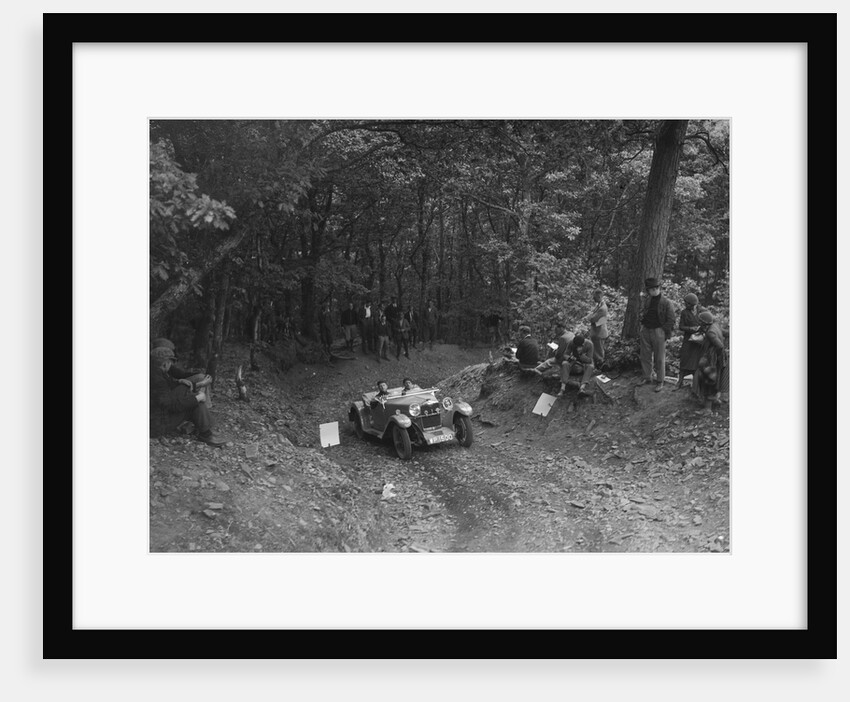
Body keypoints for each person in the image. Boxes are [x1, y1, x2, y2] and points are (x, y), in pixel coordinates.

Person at [150, 346, 225, 447]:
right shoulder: (158, 380)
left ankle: (205, 431)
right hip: (157, 426)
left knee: (191, 395)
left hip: (155, 418)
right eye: (170, 362)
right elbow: (172, 406)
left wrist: (180, 382)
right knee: (196, 403)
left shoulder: (153, 372)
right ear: (165, 363)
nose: (171, 364)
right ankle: (206, 433)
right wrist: (196, 398)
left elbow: (169, 388)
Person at [638, 277, 677, 392]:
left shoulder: (666, 302)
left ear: (659, 288)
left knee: (659, 358)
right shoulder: (648, 300)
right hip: (646, 330)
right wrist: (642, 325)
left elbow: (671, 320)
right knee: (645, 355)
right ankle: (647, 377)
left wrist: (663, 331)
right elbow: (643, 312)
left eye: (656, 288)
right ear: (648, 290)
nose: (654, 290)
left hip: (658, 331)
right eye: (651, 289)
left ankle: (660, 381)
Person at [692, 311, 729, 407]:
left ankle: (707, 409)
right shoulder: (715, 325)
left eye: (700, 322)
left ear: (704, 323)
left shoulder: (710, 332)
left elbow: (720, 346)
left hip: (711, 360)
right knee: (714, 381)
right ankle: (715, 401)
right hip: (715, 359)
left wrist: (714, 356)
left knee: (708, 382)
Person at [675, 292, 704, 390]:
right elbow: (681, 326)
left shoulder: (702, 311)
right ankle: (680, 381)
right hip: (688, 340)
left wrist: (701, 328)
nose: (686, 305)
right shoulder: (684, 312)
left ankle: (696, 384)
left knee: (697, 361)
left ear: (694, 304)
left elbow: (709, 322)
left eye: (688, 304)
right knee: (685, 359)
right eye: (685, 303)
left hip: (699, 341)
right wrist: (691, 329)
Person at [582, 288, 609, 368]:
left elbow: (593, 319)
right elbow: (591, 314)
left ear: (599, 296)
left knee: (599, 352)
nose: (593, 298)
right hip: (596, 331)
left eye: (594, 297)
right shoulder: (599, 305)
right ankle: (598, 365)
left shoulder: (602, 308)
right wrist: (590, 316)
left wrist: (589, 318)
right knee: (596, 350)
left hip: (599, 333)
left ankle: (601, 366)